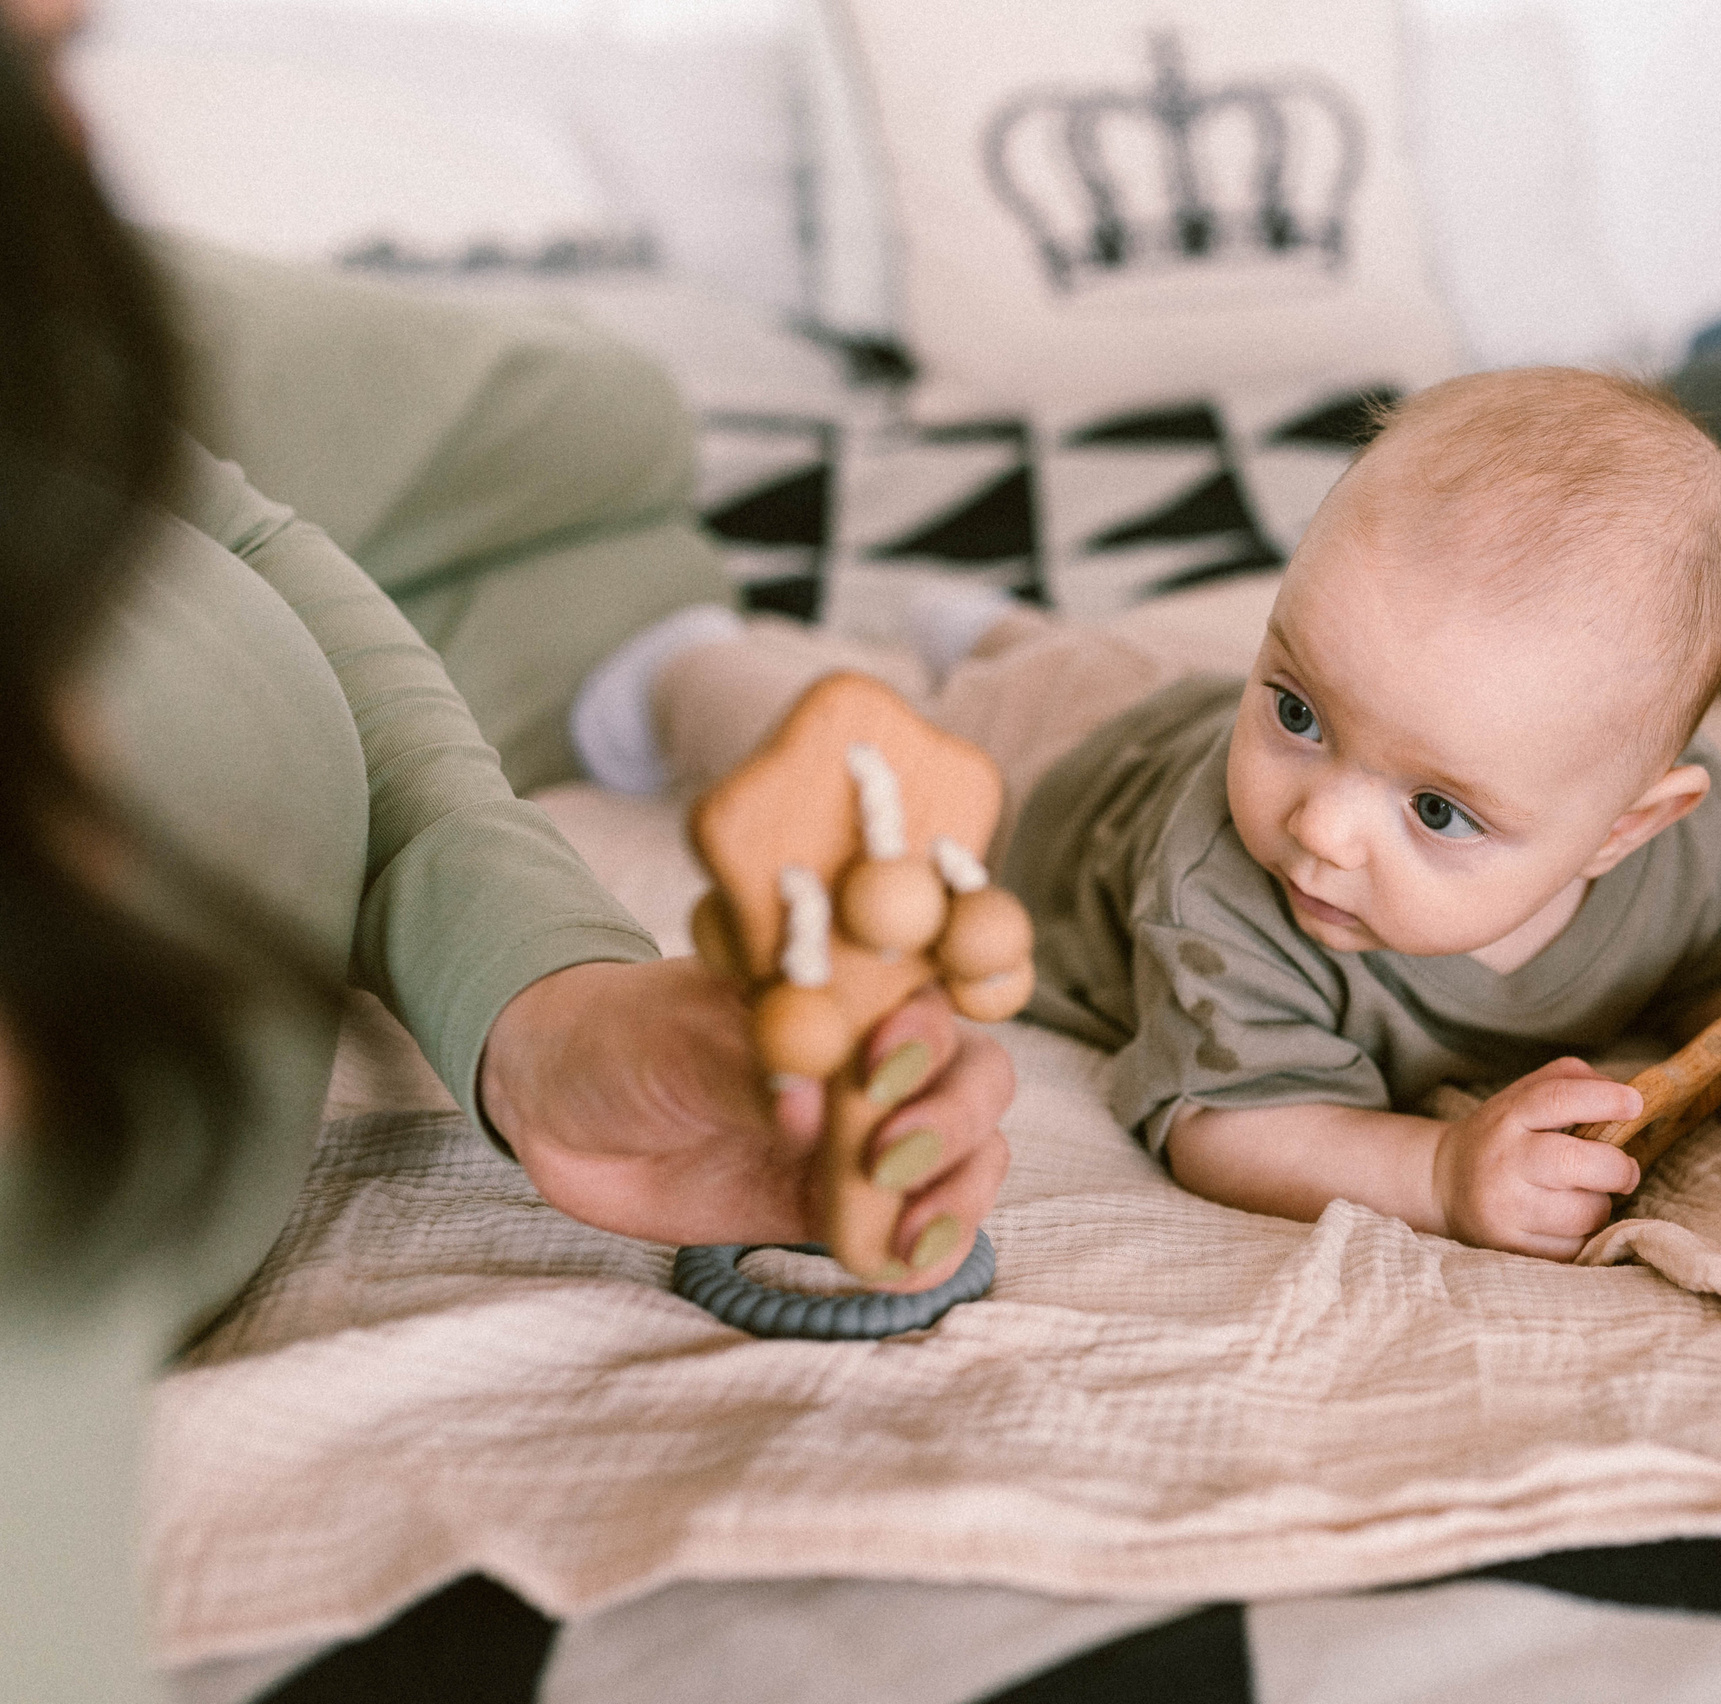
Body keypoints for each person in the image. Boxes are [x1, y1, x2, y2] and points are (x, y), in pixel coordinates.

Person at [0, 10, 1010, 1698]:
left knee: (612, 420)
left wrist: (540, 1005)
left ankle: (646, 628)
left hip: (249, 564)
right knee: (612, 444)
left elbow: (224, 523)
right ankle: (654, 643)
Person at [998, 370, 1721, 1259]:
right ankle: (989, 634)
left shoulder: (1708, 862)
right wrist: (1438, 1171)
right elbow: (1225, 1127)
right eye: (1296, 710)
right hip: (1084, 787)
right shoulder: (1219, 888)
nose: (1320, 828)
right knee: (1017, 700)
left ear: (1624, 831)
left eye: (1437, 810)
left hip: (1200, 713)